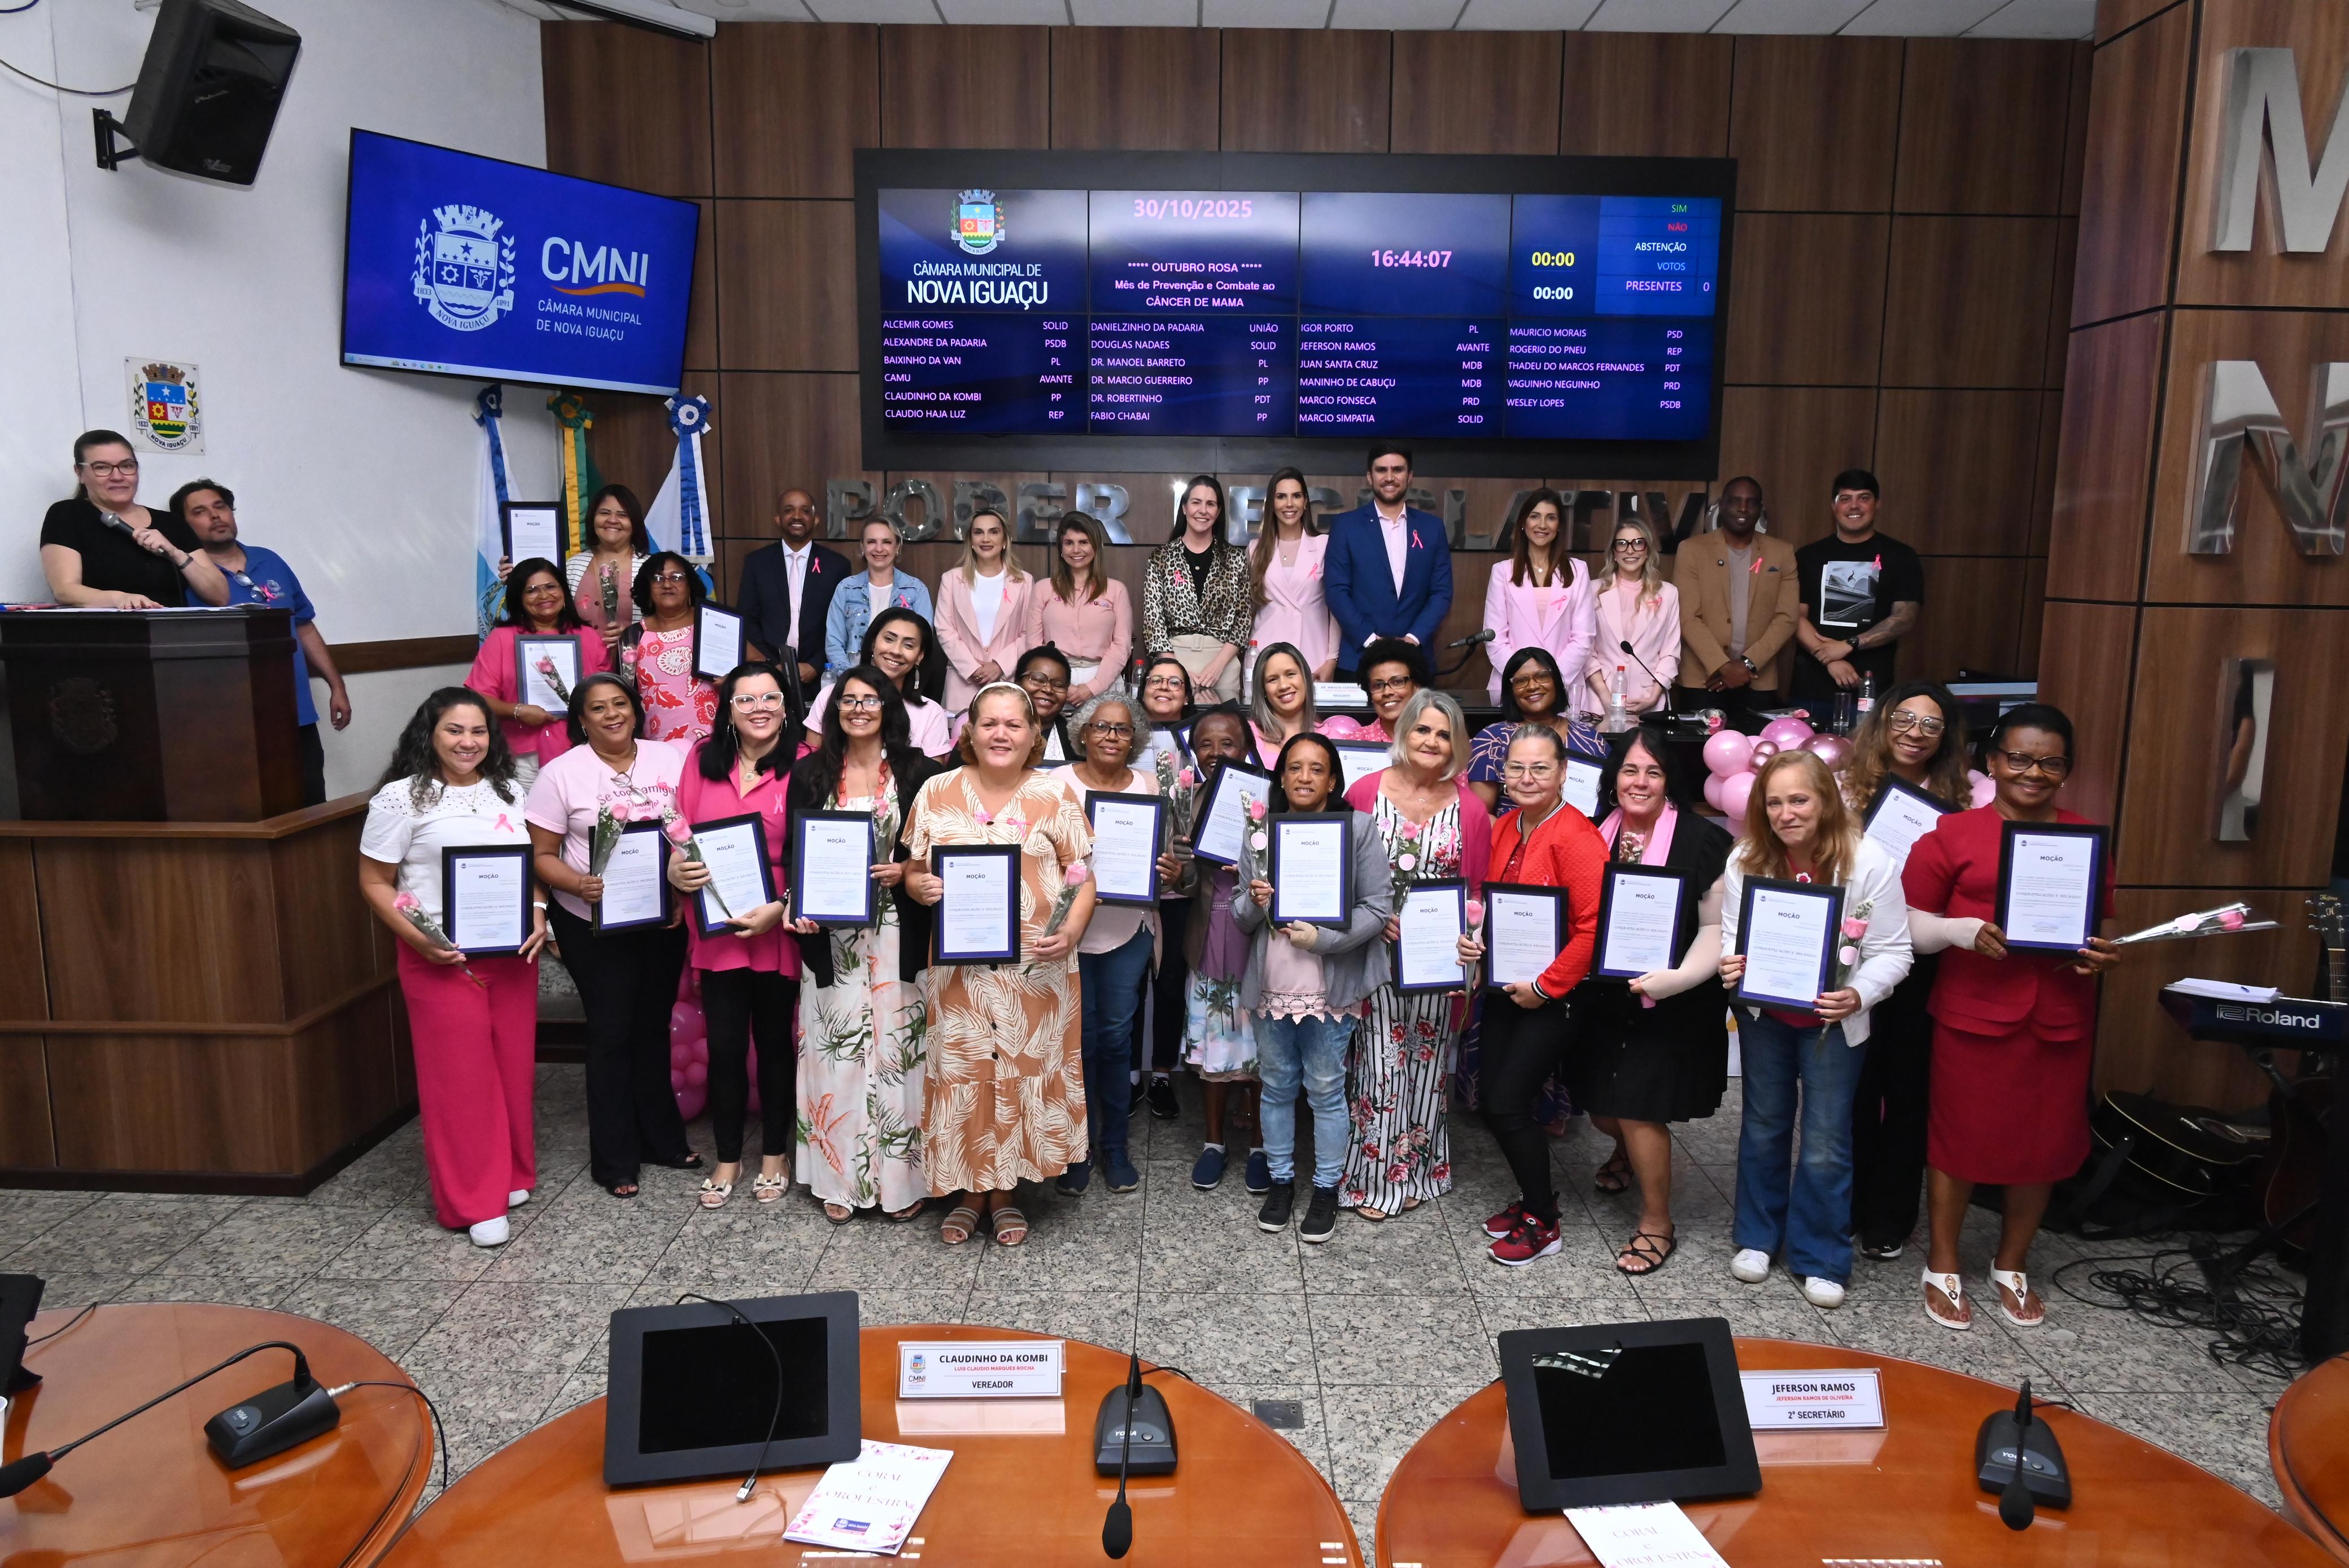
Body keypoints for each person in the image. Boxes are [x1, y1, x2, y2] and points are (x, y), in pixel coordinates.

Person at [1903, 704, 2119, 1331]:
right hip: (1973, 1014)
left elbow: (2098, 927)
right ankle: (1942, 1260)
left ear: (2066, 771)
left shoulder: (2085, 838)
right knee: (1958, 1139)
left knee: (2043, 1143)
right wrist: (1958, 930)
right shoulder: (1950, 835)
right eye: (2019, 758)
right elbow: (1908, 928)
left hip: (2058, 1015)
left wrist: (2102, 955)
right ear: (1992, 763)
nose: (2032, 771)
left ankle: (2011, 1262)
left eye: (2049, 762)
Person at [902, 682, 1097, 1246]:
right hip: (960, 976)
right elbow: (912, 870)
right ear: (970, 731)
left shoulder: (1055, 795)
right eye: (989, 723)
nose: (1001, 734)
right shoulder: (937, 791)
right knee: (964, 1074)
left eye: (1014, 724)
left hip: (1035, 972)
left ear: (1034, 734)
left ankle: (1006, 1191)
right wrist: (921, 889)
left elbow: (1083, 877)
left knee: (1021, 1072)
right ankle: (968, 1191)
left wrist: (1073, 929)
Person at [1718, 749, 1913, 1308]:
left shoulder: (1869, 861)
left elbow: (1894, 950)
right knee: (1761, 1124)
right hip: (1767, 1019)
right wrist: (1733, 962)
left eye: (1798, 799)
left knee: (1827, 1141)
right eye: (1773, 802)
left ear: (1825, 799)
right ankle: (1757, 1237)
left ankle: (1820, 1254)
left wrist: (1858, 993)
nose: (1785, 813)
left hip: (1834, 1021)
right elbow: (1733, 936)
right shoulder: (1745, 859)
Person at [358, 689, 547, 1247]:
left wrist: (538, 912)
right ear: (430, 735)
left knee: (510, 1068)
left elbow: (531, 863)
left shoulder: (515, 788)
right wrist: (419, 940)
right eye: (454, 731)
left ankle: (510, 1172)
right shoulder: (400, 798)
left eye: (478, 731)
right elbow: (373, 882)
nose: (468, 742)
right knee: (460, 1080)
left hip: (512, 953)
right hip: (441, 955)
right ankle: (472, 1200)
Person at [1564, 726, 1735, 1275]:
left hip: (1670, 1000)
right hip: (1600, 999)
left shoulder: (1701, 840)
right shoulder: (1590, 835)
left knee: (1638, 1108)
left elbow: (1714, 926)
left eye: (1653, 771)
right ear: (1612, 780)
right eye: (1630, 769)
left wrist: (1677, 977)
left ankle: (1656, 1222)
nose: (1640, 781)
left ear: (1668, 781)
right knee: (1601, 1109)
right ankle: (1621, 1153)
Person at [523, 674, 699, 1198]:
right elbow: (542, 856)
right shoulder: (560, 775)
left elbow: (693, 831)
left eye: (620, 704)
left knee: (652, 1026)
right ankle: (615, 1158)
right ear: (581, 719)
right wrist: (578, 884)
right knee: (611, 1030)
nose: (611, 715)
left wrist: (680, 896)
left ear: (635, 709)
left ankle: (662, 1140)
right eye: (597, 708)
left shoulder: (671, 759)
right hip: (590, 922)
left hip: (660, 918)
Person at [785, 665, 942, 1222]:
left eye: (869, 698)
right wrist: (797, 906)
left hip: (899, 931)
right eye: (847, 699)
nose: (858, 708)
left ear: (888, 706)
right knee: (839, 1053)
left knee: (902, 1054)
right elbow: (793, 852)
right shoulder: (808, 773)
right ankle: (839, 1178)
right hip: (832, 937)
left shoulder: (918, 770)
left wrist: (905, 870)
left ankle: (904, 1180)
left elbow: (936, 847)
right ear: (833, 710)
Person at [1453, 726, 1606, 1265]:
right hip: (1504, 987)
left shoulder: (1578, 837)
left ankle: (1545, 1222)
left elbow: (1592, 929)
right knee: (1493, 1098)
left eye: (1540, 768)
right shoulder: (1504, 826)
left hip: (1555, 994)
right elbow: (1489, 905)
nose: (1526, 778)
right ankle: (1533, 1199)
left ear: (1564, 772)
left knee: (1508, 1101)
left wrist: (1545, 986)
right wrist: (1474, 941)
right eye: (1516, 768)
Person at [1236, 732, 1394, 1243]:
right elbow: (1240, 914)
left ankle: (1326, 1186)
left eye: (1317, 768)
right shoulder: (1261, 830)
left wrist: (1324, 937)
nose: (1305, 777)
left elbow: (1378, 908)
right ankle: (1282, 1180)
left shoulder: (1359, 829)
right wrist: (1256, 900)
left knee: (1326, 1091)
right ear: (1281, 777)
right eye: (1295, 768)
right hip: (1273, 983)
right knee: (1278, 1086)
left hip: (1329, 985)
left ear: (1333, 779)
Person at [1342, 690, 1492, 1219]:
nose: (1432, 741)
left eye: (1443, 733)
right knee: (1379, 1064)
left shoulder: (1471, 809)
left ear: (1455, 744)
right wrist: (1371, 917)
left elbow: (1476, 893)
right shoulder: (1363, 792)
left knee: (1427, 1066)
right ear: (1404, 732)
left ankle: (1422, 1171)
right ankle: (1374, 1180)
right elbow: (1342, 874)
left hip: (1436, 963)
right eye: (1423, 729)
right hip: (1375, 954)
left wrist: (1471, 941)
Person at [1841, 682, 1974, 1261]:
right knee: (1850, 1087)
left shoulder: (1960, 804)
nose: (1914, 731)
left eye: (1930, 724)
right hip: (1852, 953)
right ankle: (1842, 1205)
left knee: (1907, 1090)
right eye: (1904, 718)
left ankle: (1889, 1214)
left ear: (1945, 738)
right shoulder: (1845, 789)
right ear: (1882, 723)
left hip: (1921, 962)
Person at [667, 662, 801, 1209]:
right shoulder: (700, 762)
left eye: (769, 697)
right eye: (745, 700)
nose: (759, 708)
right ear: (727, 711)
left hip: (777, 921)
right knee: (724, 1045)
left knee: (773, 1043)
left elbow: (817, 851)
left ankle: (774, 1152)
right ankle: (727, 1155)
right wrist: (676, 872)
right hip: (716, 922)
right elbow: (678, 833)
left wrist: (781, 905)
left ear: (786, 706)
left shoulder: (808, 765)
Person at [1051, 690, 1181, 1197]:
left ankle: (1116, 1147)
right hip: (1070, 933)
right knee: (1075, 1043)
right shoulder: (1054, 784)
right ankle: (1076, 1150)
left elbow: (1166, 860)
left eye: (1122, 729)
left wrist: (1168, 870)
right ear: (1082, 733)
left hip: (1128, 928)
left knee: (1114, 1038)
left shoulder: (1149, 785)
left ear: (1136, 739)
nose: (1111, 736)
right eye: (1102, 727)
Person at [174, 478, 352, 806]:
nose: (215, 517)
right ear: (184, 526)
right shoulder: (183, 574)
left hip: (295, 712)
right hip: (229, 721)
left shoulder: (269, 560)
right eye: (200, 512)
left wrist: (336, 686)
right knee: (250, 808)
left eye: (221, 507)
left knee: (310, 802)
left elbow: (304, 626)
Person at [1180, 706, 1266, 1194]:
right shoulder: (1185, 799)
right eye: (1206, 744)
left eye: (1227, 743)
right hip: (1208, 935)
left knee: (1259, 1050)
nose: (1216, 753)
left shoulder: (1267, 798)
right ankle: (1213, 1142)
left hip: (1258, 939)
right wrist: (1181, 870)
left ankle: (1258, 1142)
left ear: (1246, 746)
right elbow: (1187, 879)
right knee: (1213, 1044)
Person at [1791, 470, 1925, 722]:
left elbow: (1904, 618)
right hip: (1811, 689)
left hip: (1871, 692)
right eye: (1845, 498)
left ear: (1877, 504)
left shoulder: (1900, 556)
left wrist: (1848, 645)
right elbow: (1794, 617)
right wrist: (1828, 658)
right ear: (1834, 506)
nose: (1854, 506)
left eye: (1864, 498)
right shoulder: (1809, 556)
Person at [41, 430, 226, 608]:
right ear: (80, 473)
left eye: (127, 466)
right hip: (103, 633)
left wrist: (176, 553)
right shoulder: (67, 514)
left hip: (170, 633)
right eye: (102, 468)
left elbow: (220, 596)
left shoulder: (172, 523)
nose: (117, 477)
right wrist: (119, 599)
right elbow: (65, 591)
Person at [469, 558, 612, 787]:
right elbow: (476, 698)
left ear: (563, 591)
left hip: (585, 749)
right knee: (532, 819)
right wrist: (517, 711)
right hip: (525, 756)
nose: (544, 596)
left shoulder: (589, 637)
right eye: (532, 590)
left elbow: (608, 694)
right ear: (519, 598)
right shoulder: (502, 639)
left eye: (550, 587)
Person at [1673, 476, 1798, 718]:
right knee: (1696, 753)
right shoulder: (1692, 549)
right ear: (1722, 505)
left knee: (1758, 752)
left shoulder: (1782, 552)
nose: (1743, 508)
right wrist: (1722, 666)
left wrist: (1747, 664)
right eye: (1736, 501)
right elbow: (1687, 616)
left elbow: (1787, 618)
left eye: (1751, 503)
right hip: (1704, 680)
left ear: (1760, 509)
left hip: (1757, 680)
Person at [1322, 446, 1453, 676]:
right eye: (1382, 470)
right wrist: (1373, 642)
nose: (1390, 477)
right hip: (1359, 661)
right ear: (1369, 477)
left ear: (1410, 476)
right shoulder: (1346, 526)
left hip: (1416, 662)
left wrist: (1411, 640)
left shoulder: (1432, 528)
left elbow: (1441, 593)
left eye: (1398, 470)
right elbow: (1336, 591)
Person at [1134, 653, 1197, 1120]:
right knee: (1132, 981)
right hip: (1127, 887)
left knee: (1171, 979)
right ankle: (1130, 1077)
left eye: (1174, 682)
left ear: (1188, 694)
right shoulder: (1122, 733)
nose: (1163, 687)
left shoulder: (1200, 742)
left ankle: (1161, 1073)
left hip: (1180, 884)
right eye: (1155, 679)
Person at [1141, 476, 1252, 702]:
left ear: (1219, 511)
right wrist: (1174, 668)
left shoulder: (1235, 558)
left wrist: (1219, 665)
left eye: (1210, 504)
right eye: (1196, 502)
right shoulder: (1161, 558)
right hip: (1173, 660)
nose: (1203, 510)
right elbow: (1153, 621)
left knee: (1221, 733)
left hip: (1222, 663)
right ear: (1184, 507)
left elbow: (1243, 620)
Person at [1481, 487, 1594, 707]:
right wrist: (1525, 678)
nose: (1542, 525)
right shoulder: (1502, 572)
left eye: (1551, 518)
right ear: (1523, 523)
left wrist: (1551, 679)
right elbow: (1494, 638)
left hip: (1564, 686)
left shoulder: (1578, 571)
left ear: (1559, 526)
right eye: (1535, 516)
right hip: (1514, 686)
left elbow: (1583, 637)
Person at [737, 487, 850, 695]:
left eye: (805, 511)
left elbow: (842, 625)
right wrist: (772, 665)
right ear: (778, 519)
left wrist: (816, 665)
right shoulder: (757, 563)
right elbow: (748, 620)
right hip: (768, 675)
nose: (797, 516)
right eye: (789, 510)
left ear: (815, 520)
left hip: (821, 678)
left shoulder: (838, 566)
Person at [1464, 648, 1604, 814]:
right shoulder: (1492, 739)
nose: (1532, 686)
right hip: (1511, 837)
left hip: (1581, 835)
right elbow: (1480, 816)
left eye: (1542, 676)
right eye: (1521, 681)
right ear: (1511, 692)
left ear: (1556, 682)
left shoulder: (1591, 740)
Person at [807, 606, 955, 758]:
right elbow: (810, 766)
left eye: (909, 645)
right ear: (873, 643)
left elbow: (933, 780)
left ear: (920, 656)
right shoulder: (830, 696)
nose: (896, 651)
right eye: (889, 639)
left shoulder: (931, 714)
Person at [1024, 510, 1132, 703]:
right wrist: (1061, 684)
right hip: (1054, 682)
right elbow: (1034, 645)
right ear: (1061, 548)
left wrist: (1094, 687)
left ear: (1096, 547)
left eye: (1083, 542)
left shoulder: (1116, 590)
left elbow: (1122, 646)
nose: (1076, 550)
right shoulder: (1043, 588)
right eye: (1069, 543)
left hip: (1105, 679)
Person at [935, 508, 1038, 709]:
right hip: (962, 681)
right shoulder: (951, 579)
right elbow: (944, 630)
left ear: (1005, 540)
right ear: (971, 541)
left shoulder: (1024, 581)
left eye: (994, 532)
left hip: (1007, 679)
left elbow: (1030, 633)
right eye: (978, 532)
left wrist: (999, 665)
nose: (986, 539)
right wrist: (972, 668)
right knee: (961, 738)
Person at [1249, 467, 1341, 681]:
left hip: (1312, 656)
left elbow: (1336, 610)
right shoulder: (1255, 549)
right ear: (1271, 503)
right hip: (1266, 654)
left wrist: (1332, 659)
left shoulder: (1325, 545)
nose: (1289, 504)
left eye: (1296, 496)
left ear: (1306, 501)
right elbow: (1250, 609)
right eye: (1281, 497)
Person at [619, 552, 719, 745]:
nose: (667, 584)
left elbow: (754, 665)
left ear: (690, 585)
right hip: (656, 747)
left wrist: (733, 680)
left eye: (677, 577)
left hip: (715, 742)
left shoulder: (712, 621)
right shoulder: (632, 636)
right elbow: (623, 695)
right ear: (647, 588)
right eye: (657, 578)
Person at [1587, 515, 1680, 720]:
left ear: (1647, 551)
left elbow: (1670, 653)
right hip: (1600, 699)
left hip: (1648, 700)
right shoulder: (1592, 590)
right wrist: (1605, 696)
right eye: (1622, 544)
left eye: (1638, 543)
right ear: (1614, 552)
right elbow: (1586, 650)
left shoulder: (1668, 594)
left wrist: (1654, 697)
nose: (1630, 550)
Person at [824, 516, 933, 680]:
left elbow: (922, 641)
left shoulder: (916, 590)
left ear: (898, 546)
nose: (879, 549)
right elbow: (833, 642)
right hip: (853, 680)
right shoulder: (846, 588)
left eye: (887, 542)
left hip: (900, 683)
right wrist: (852, 678)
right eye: (871, 542)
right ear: (862, 546)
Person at [564, 484, 654, 656]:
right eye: (605, 513)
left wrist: (632, 634)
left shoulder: (650, 569)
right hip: (583, 670)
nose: (612, 520)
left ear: (634, 523)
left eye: (623, 515)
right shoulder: (572, 566)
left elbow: (668, 624)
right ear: (593, 519)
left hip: (633, 669)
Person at [1247, 641, 1323, 763]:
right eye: (1273, 679)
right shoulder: (1246, 736)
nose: (1283, 686)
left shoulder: (1333, 737)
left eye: (1290, 674)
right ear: (1263, 690)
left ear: (1306, 679)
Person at [1352, 638, 1426, 743]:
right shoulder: (1355, 743)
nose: (1387, 692)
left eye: (1397, 682)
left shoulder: (1434, 740)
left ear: (1417, 687)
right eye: (1378, 685)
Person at [1015, 645, 1078, 765]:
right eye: (1038, 680)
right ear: (1017, 683)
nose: (1048, 690)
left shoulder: (1076, 742)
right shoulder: (994, 730)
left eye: (1058, 685)